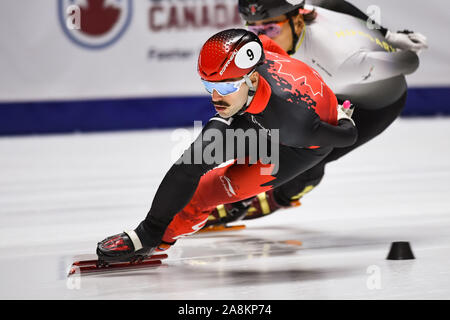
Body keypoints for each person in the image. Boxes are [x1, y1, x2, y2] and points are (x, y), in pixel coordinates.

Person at [96, 28, 357, 263]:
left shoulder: (297, 125)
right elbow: (268, 44)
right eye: (209, 86)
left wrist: (343, 118)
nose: (215, 97)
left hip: (295, 146)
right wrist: (145, 231)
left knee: (206, 195)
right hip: (256, 113)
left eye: (226, 86)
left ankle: (164, 237)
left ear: (252, 79)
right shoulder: (256, 52)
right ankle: (149, 235)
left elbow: (347, 137)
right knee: (192, 163)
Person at [204, 0, 426, 227]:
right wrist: (388, 34)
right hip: (329, 87)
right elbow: (335, 3)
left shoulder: (344, 62)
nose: (262, 38)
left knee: (304, 157)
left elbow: (410, 62)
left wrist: (390, 47)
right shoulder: (303, 10)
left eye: (270, 29)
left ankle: (278, 196)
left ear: (298, 22)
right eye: (254, 29)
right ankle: (240, 193)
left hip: (374, 105)